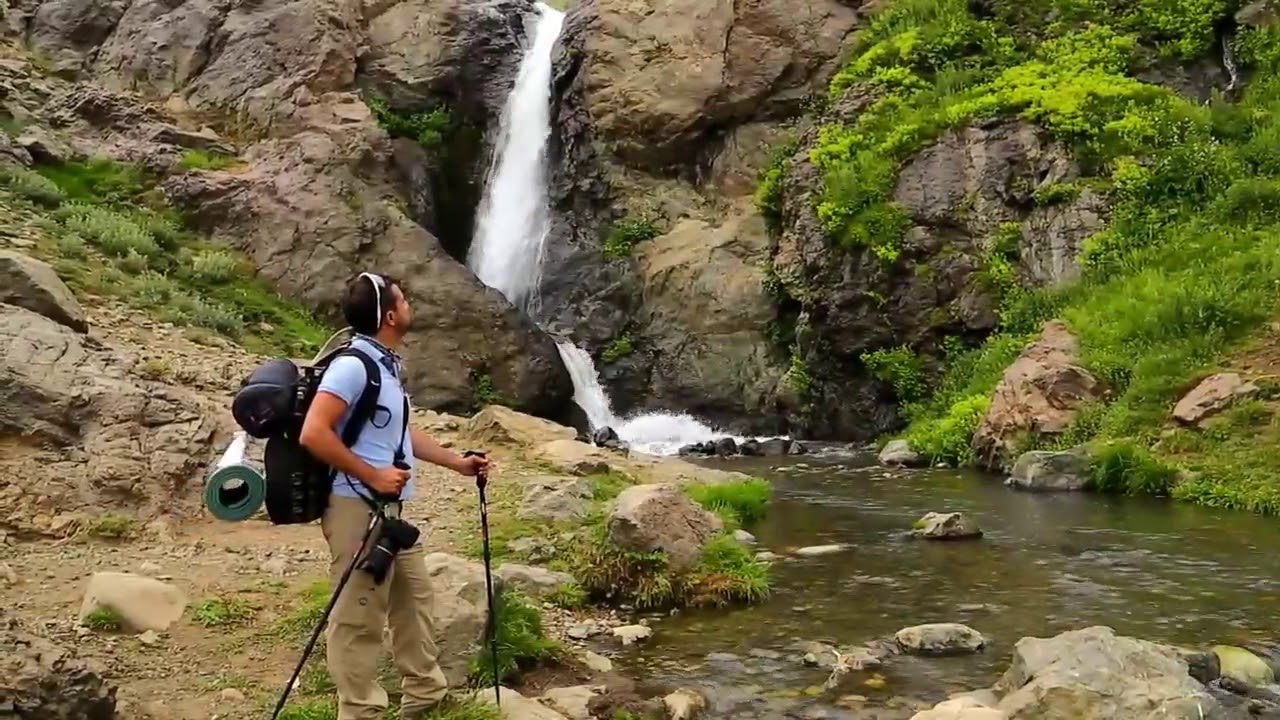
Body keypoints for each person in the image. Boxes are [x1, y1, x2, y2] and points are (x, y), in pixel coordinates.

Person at [299, 271, 489, 720]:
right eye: (404, 300)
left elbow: (402, 434)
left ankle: (424, 696)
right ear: (389, 314)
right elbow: (313, 432)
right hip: (354, 506)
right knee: (358, 613)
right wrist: (373, 475)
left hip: (387, 511)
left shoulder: (384, 366)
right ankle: (360, 711)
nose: (409, 306)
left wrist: (456, 462)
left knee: (415, 599)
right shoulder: (352, 367)